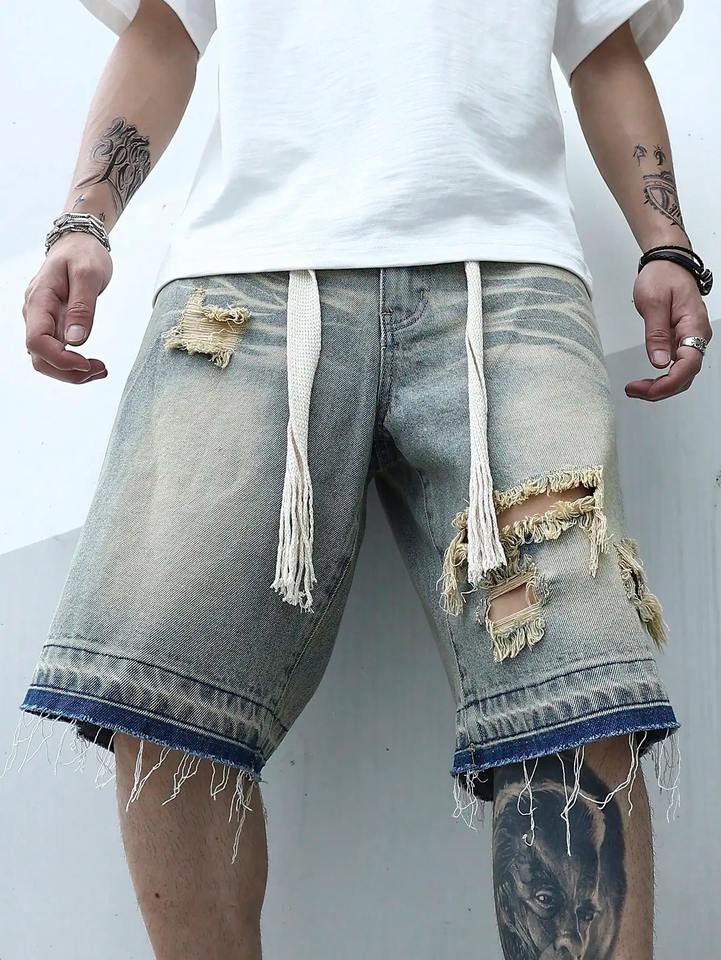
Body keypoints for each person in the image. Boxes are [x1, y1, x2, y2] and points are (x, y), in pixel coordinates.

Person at [6, 0, 713, 957]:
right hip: (249, 279)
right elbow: (165, 30)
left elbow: (604, 51)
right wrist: (83, 221)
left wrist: (664, 242)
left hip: (504, 277)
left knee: (574, 670)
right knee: (162, 669)